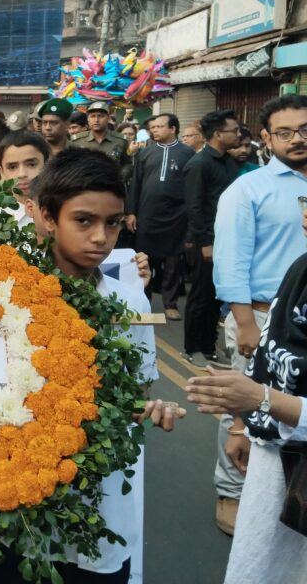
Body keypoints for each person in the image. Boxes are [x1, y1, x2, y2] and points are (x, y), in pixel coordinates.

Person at [0, 148, 176, 584]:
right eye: (84, 221)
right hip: (15, 491)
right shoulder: (6, 294)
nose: (100, 237)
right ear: (48, 216)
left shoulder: (129, 300)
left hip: (98, 495)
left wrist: (148, 410)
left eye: (112, 223)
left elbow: (135, 393)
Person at [186, 213, 307, 583]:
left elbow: (261, 391)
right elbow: (270, 348)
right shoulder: (302, 266)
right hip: (277, 459)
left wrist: (260, 400)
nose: (304, 215)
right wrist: (242, 426)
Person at [212, 94, 307, 534]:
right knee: (245, 406)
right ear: (266, 138)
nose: (297, 139)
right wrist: (245, 322)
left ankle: (286, 496)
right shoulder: (248, 188)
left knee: (294, 412)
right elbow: (231, 260)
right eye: (285, 132)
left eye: (305, 129)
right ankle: (230, 490)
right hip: (263, 315)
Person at [181, 109, 240, 369]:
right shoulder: (199, 163)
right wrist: (206, 242)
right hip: (205, 241)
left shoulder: (228, 161)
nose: (238, 134)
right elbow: (193, 207)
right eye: (234, 130)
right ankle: (191, 348)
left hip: (225, 238)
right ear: (218, 134)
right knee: (200, 296)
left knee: (217, 295)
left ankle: (208, 346)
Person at [125, 113, 195, 322]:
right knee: (144, 260)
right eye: (152, 127)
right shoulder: (145, 153)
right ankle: (143, 301)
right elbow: (135, 184)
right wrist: (131, 212)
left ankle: (170, 303)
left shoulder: (187, 154)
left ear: (173, 129)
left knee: (173, 261)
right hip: (147, 215)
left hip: (176, 216)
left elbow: (192, 188)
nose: (154, 130)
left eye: (159, 127)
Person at [0, 129, 50, 221]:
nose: (22, 174)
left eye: (31, 165)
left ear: (47, 165)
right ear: (2, 172)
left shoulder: (63, 212)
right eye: (12, 167)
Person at [72, 102, 131, 178]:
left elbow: (128, 164)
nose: (96, 120)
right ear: (88, 119)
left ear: (108, 118)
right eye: (92, 116)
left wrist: (120, 176)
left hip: (112, 186)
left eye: (101, 116)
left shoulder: (121, 140)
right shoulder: (77, 141)